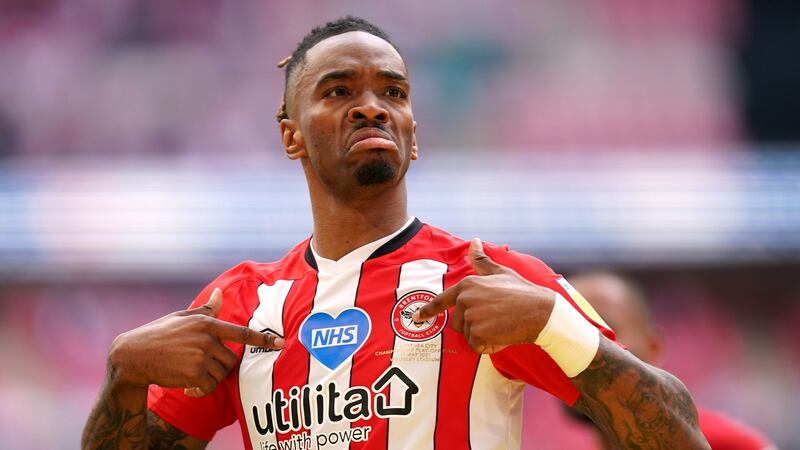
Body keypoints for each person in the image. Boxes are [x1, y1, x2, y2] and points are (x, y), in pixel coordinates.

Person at [81, 16, 708, 450]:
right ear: (291, 135)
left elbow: (679, 436)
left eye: (394, 91)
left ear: (413, 132)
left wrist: (554, 323)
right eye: (338, 90)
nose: (373, 105)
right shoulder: (241, 306)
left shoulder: (488, 277)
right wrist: (122, 379)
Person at [561, 271, 775, 450]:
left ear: (653, 348)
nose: (580, 346)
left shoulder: (729, 444)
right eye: (564, 333)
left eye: (603, 329)